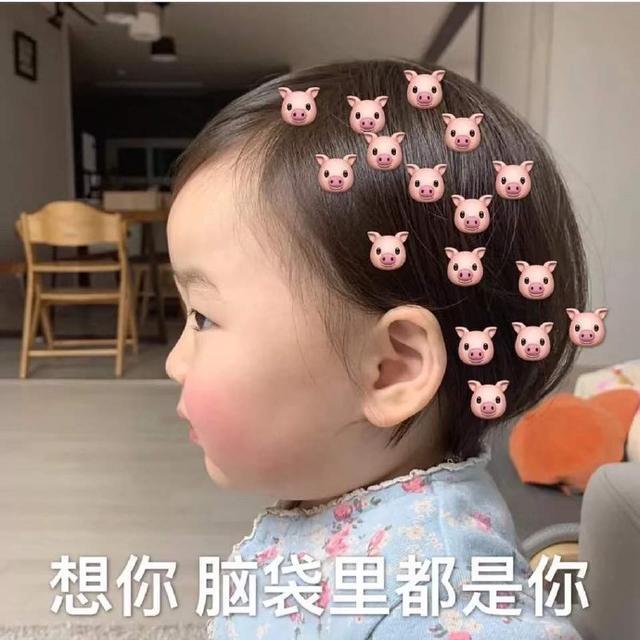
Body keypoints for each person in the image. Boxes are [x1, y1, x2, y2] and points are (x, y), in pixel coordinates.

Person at [165, 60, 587, 639]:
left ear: (391, 370)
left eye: (204, 317)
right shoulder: (341, 498)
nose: (174, 362)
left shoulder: (444, 600)